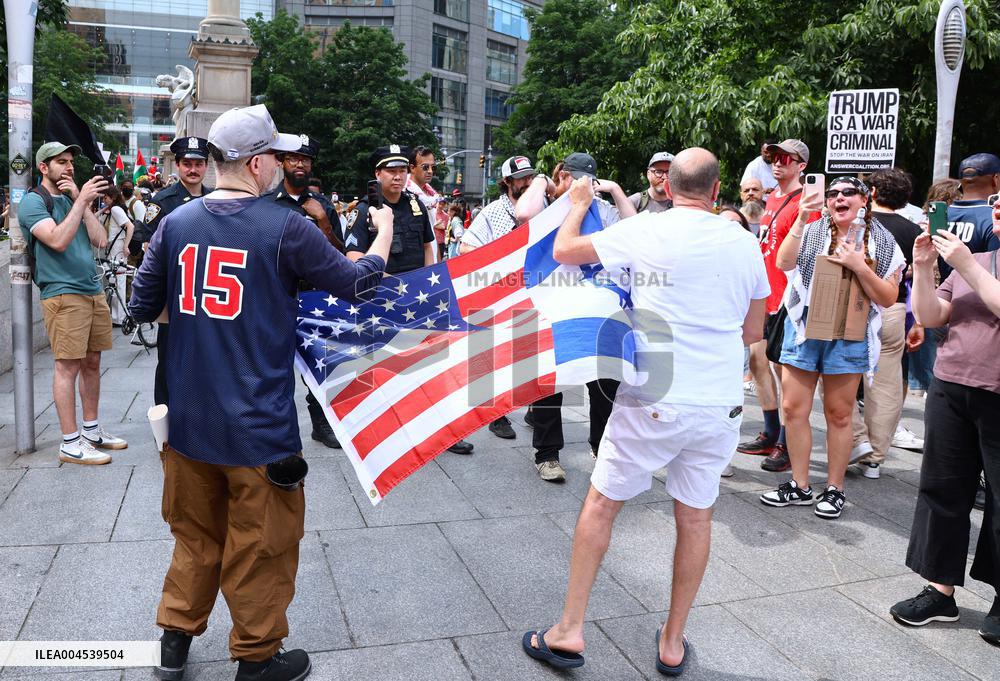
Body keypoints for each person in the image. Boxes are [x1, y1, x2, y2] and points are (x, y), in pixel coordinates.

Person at [129, 104, 393, 681]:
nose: (279, 164)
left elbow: (141, 306)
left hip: (187, 417)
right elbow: (356, 285)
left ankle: (174, 642)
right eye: (274, 154)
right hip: (259, 425)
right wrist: (384, 237)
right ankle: (256, 657)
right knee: (262, 542)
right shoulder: (285, 227)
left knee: (195, 535)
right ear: (255, 163)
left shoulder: (176, 224)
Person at [522, 148, 768, 674]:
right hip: (719, 400)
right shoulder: (744, 243)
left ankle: (568, 629)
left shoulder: (648, 231)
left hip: (655, 392)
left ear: (668, 185)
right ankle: (673, 642)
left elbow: (565, 250)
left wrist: (579, 199)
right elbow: (753, 333)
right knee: (696, 518)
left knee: (603, 503)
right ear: (718, 189)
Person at [889, 195, 1000, 647]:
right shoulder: (979, 258)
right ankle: (940, 589)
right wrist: (922, 267)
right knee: (942, 489)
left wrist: (967, 266)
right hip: (953, 387)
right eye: (997, 205)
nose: (998, 213)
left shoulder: (975, 263)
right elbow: (933, 315)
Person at [760, 176, 905, 519]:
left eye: (848, 193)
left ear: (865, 198)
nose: (839, 198)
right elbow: (783, 263)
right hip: (805, 327)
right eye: (832, 194)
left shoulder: (883, 242)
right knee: (793, 409)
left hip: (849, 334)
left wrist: (859, 266)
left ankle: (835, 489)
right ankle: (800, 484)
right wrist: (799, 218)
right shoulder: (812, 230)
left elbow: (888, 296)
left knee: (839, 415)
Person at [514, 152, 635, 481]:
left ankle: (601, 445)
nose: (579, 185)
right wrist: (543, 180)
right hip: (553, 306)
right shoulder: (547, 209)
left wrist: (616, 190)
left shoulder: (605, 211)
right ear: (562, 175)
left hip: (596, 310)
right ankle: (548, 454)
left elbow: (635, 229)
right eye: (572, 177)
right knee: (549, 380)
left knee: (604, 381)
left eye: (587, 180)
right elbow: (523, 212)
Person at [345, 145, 473, 455]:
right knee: (381, 367)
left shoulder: (416, 204)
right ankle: (382, 433)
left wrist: (428, 282)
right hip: (382, 300)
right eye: (391, 170)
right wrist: (392, 284)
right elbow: (353, 256)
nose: (399, 176)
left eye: (403, 170)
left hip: (418, 298)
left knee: (432, 366)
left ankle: (445, 430)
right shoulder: (363, 211)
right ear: (378, 174)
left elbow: (431, 245)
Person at [17, 141, 127, 464]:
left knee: (92, 362)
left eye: (70, 161)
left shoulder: (70, 198)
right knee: (68, 366)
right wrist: (79, 203)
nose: (68, 167)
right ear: (43, 168)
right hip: (63, 293)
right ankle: (70, 441)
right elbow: (57, 240)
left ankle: (91, 431)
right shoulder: (33, 202)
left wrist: (79, 198)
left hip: (91, 290)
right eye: (60, 161)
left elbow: (100, 239)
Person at [739, 139, 817, 472]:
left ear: (802, 165)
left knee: (786, 375)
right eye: (774, 157)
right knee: (758, 363)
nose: (777, 162)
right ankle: (771, 431)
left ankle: (787, 440)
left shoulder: (807, 201)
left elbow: (810, 252)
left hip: (790, 300)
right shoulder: (771, 197)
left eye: (787, 158)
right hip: (766, 295)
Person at [265, 134, 345, 452]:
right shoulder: (268, 203)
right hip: (279, 295)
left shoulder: (323, 206)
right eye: (294, 159)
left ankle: (321, 425)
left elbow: (340, 253)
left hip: (315, 298)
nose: (300, 164)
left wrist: (324, 222)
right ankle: (277, 424)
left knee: (320, 364)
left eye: (306, 159)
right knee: (277, 364)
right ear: (282, 163)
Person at [459, 155, 541, 440]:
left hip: (533, 289)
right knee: (500, 352)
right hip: (502, 291)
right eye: (522, 178)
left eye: (531, 176)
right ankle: (497, 415)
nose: (528, 182)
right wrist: (499, 258)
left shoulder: (542, 207)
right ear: (507, 182)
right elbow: (465, 248)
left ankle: (535, 410)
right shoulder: (493, 212)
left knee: (532, 352)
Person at [848, 169, 923, 479]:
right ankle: (875, 457)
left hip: (855, 306)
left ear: (873, 191)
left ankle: (856, 440)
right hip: (896, 309)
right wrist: (918, 321)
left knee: (838, 377)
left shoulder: (859, 224)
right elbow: (922, 277)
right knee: (888, 382)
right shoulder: (913, 230)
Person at [142, 136, 212, 407]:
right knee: (170, 361)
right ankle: (166, 428)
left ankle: (202, 417)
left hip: (208, 295)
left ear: (206, 166)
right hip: (176, 295)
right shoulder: (162, 201)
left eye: (198, 163)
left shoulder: (215, 199)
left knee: (207, 361)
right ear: (178, 166)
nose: (192, 169)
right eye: (187, 164)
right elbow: (144, 244)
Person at [940, 153, 1000, 279]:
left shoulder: (941, 215)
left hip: (944, 294)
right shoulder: (995, 217)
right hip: (981, 296)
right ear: (995, 179)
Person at [99, 185, 135, 325]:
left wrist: (126, 245)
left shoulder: (115, 209)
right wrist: (104, 209)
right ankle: (117, 316)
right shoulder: (113, 209)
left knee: (117, 282)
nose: (104, 200)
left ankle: (119, 317)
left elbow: (130, 226)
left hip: (118, 249)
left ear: (112, 197)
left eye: (106, 197)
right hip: (115, 249)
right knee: (115, 281)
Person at [404, 146, 446, 259]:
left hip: (430, 256)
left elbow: (431, 233)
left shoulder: (431, 196)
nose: (430, 171)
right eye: (425, 167)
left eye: (433, 167)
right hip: (411, 257)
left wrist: (438, 259)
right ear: (412, 168)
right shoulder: (403, 193)